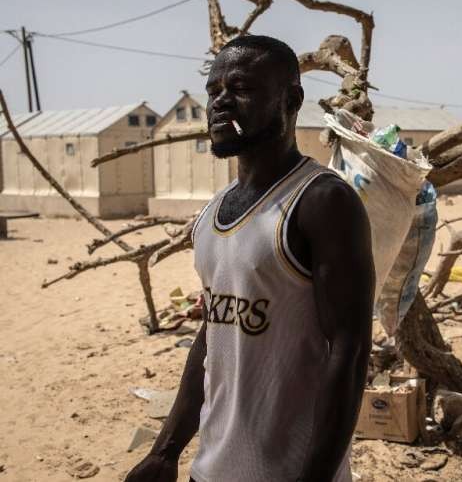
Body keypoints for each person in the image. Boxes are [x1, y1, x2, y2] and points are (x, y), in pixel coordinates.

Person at [125, 35, 375, 482]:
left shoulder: (323, 202)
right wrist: (167, 451)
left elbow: (350, 352)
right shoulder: (212, 214)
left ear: (292, 99)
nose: (220, 103)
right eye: (213, 91)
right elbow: (211, 337)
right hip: (211, 469)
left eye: (240, 88)